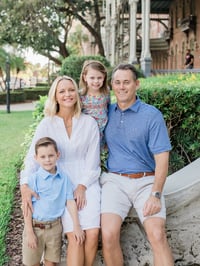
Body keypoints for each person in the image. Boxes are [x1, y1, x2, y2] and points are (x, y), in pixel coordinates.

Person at [20, 76, 101, 266]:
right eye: (62, 91)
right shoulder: (47, 124)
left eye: (71, 90)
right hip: (59, 184)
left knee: (92, 234)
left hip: (86, 180)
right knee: (75, 236)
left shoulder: (89, 123)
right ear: (55, 96)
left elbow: (93, 161)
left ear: (77, 93)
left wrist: (82, 186)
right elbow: (32, 157)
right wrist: (24, 185)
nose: (67, 95)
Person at [100, 63, 174, 266]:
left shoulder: (151, 115)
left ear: (136, 84)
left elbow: (162, 159)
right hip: (114, 181)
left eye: (126, 82)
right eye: (117, 82)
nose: (121, 87)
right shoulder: (106, 113)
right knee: (107, 234)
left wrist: (156, 194)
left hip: (145, 182)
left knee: (157, 234)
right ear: (111, 85)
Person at [22, 137, 85, 266]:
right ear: (36, 158)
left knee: (51, 263)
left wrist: (76, 226)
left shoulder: (64, 179)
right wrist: (29, 232)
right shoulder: (33, 179)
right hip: (35, 227)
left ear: (58, 155)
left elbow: (70, 202)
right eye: (43, 156)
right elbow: (27, 207)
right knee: (32, 263)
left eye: (51, 155)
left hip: (54, 228)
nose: (47, 160)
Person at [79, 60, 110, 151]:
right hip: (87, 134)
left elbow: (108, 109)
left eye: (99, 77)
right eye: (92, 78)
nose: (96, 81)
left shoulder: (106, 92)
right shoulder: (81, 95)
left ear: (104, 77)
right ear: (85, 77)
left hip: (103, 133)